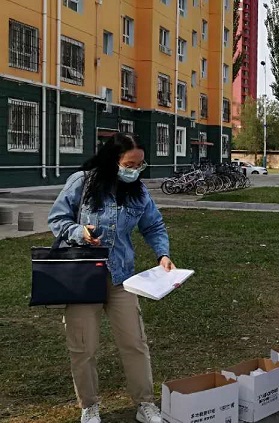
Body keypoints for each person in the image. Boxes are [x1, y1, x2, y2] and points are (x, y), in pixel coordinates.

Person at [48, 133, 174, 423]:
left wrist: (162, 254)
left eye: (140, 165)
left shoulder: (138, 192)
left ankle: (145, 404)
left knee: (135, 343)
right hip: (83, 278)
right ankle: (89, 406)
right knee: (83, 348)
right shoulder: (82, 183)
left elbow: (154, 225)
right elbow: (57, 219)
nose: (135, 171)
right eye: (129, 165)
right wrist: (80, 232)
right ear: (112, 161)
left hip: (122, 279)